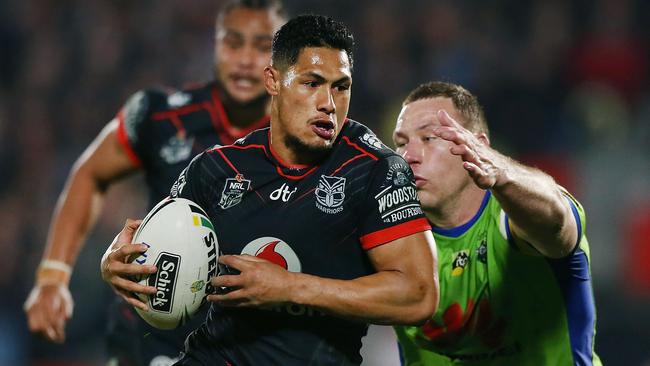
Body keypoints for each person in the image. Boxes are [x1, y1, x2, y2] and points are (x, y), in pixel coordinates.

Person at [101, 15, 439, 366]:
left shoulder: (373, 170)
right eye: (312, 83)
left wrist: (291, 286)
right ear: (273, 81)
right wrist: (116, 264)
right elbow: (160, 248)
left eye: (341, 86)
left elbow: (419, 295)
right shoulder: (218, 167)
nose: (329, 103)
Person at [24, 1, 287, 365]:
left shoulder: (303, 139)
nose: (244, 59)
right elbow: (90, 173)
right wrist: (53, 276)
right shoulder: (160, 113)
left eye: (261, 47)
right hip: (148, 337)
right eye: (232, 43)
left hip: (243, 343)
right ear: (214, 46)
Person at [392, 81, 602, 365]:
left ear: (479, 146)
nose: (408, 157)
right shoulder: (390, 238)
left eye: (429, 138)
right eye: (401, 143)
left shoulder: (512, 222)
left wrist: (502, 174)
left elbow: (557, 222)